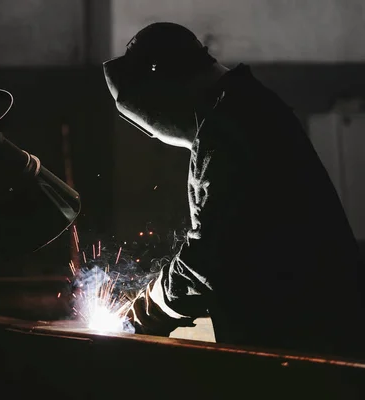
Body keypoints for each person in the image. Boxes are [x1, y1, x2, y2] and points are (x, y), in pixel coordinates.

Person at [103, 22, 365, 359]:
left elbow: (207, 258)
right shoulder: (244, 105)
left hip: (302, 339)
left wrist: (143, 310)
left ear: (165, 85)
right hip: (311, 324)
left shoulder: (226, 127)